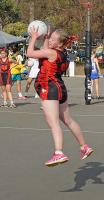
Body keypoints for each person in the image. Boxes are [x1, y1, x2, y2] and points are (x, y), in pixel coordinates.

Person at [27, 27, 93, 167]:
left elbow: (30, 53)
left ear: (59, 44)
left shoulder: (51, 52)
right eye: (49, 38)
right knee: (68, 120)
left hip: (49, 88)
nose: (50, 40)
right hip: (59, 87)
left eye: (52, 39)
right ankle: (84, 146)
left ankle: (59, 153)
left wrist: (33, 37)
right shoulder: (61, 53)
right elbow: (45, 51)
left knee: (53, 122)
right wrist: (45, 38)